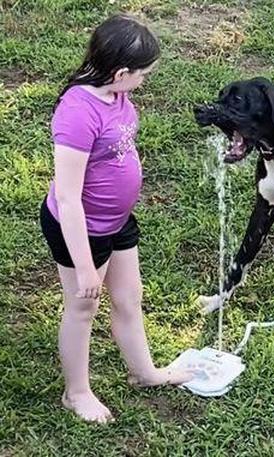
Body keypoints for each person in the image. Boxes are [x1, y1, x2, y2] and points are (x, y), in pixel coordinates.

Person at [40, 14, 192, 423]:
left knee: (128, 298)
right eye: (143, 73)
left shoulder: (117, 94)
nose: (145, 80)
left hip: (117, 220)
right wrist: (87, 268)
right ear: (121, 72)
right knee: (82, 307)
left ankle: (144, 373)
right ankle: (77, 392)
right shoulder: (77, 113)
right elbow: (69, 199)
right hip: (82, 229)